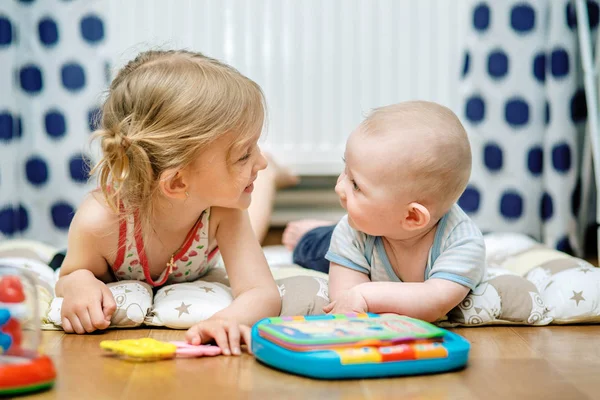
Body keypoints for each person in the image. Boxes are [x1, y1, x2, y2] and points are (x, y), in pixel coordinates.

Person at [55, 50, 284, 356]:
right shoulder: (99, 221)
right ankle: (275, 179)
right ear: (177, 182)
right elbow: (69, 274)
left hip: (212, 230)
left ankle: (274, 181)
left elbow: (261, 291)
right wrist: (78, 284)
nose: (261, 161)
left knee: (252, 225)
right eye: (244, 154)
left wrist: (226, 320)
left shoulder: (223, 211)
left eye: (257, 148)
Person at [285, 101, 486, 322]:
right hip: (343, 241)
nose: (339, 187)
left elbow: (434, 301)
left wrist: (367, 295)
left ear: (411, 216)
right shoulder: (351, 232)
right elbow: (346, 296)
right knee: (312, 245)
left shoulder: (462, 242)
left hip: (370, 229)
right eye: (345, 170)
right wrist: (358, 295)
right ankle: (312, 231)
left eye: (356, 185)